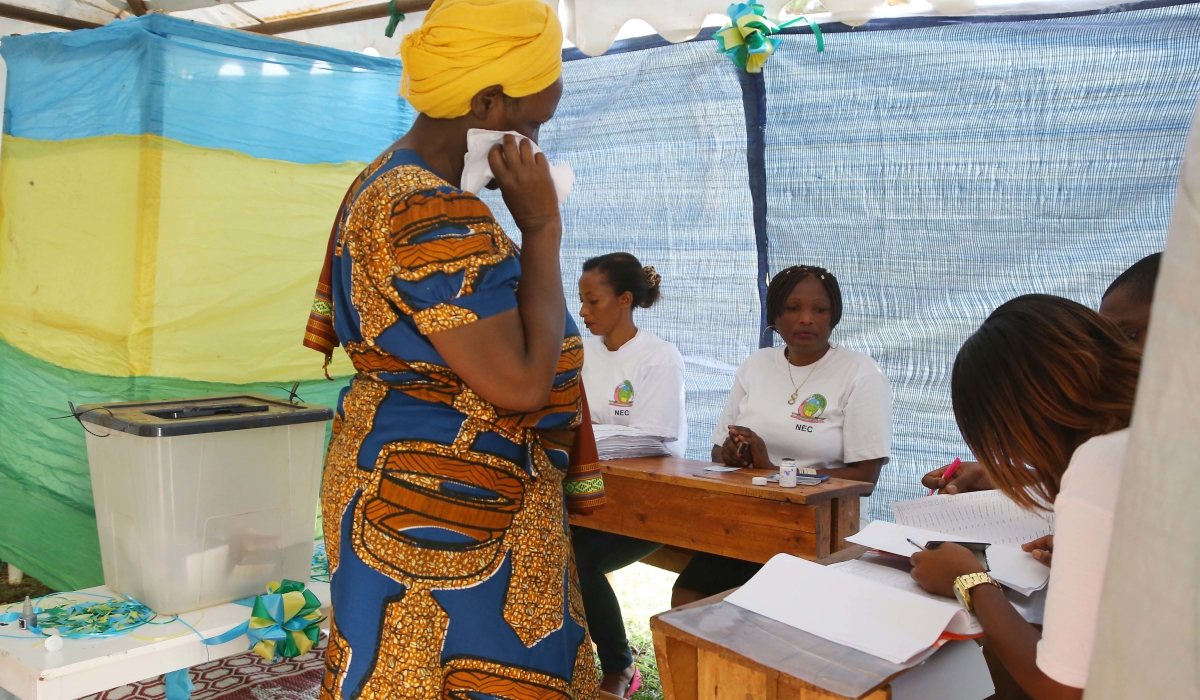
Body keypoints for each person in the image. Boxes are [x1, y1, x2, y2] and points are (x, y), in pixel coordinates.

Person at [300, 1, 602, 697]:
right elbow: (521, 385)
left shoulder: (387, 179)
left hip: (402, 474)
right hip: (448, 504)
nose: (533, 146)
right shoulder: (429, 208)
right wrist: (543, 229)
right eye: (530, 124)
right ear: (487, 103)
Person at [909, 294, 1141, 700]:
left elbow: (1060, 690)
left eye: (1009, 442)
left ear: (1027, 417)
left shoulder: (1100, 463)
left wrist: (969, 580)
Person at [670, 265, 893, 606]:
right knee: (689, 597)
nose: (806, 319)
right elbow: (717, 453)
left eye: (820, 309)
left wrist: (775, 472)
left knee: (767, 608)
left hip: (820, 531)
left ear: (834, 317)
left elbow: (865, 478)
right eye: (793, 308)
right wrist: (734, 453)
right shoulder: (757, 365)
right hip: (749, 520)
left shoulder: (860, 373)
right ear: (775, 315)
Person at [922, 251, 1162, 516]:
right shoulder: (1140, 443)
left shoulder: (1122, 453)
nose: (1119, 354)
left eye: (1131, 334)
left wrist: (961, 561)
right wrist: (1020, 479)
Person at [572, 252, 686, 696]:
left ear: (624, 300)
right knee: (549, 544)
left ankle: (619, 667)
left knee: (580, 559)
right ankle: (568, 652)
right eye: (580, 300)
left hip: (651, 502)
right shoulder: (584, 354)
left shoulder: (659, 357)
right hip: (595, 490)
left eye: (592, 300)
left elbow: (659, 438)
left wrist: (589, 437)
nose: (582, 311)